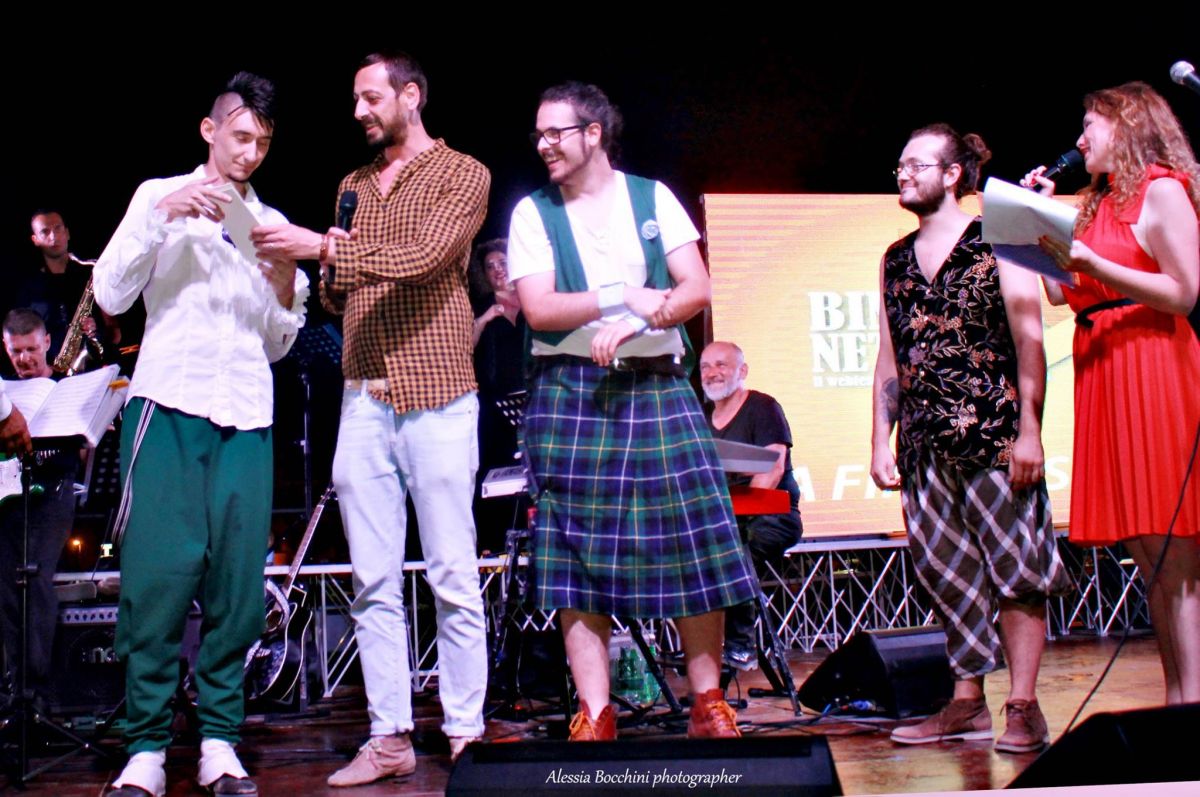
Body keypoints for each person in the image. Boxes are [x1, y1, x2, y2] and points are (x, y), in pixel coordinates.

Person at [250, 51, 490, 785]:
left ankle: (466, 734)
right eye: (355, 100)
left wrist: (326, 248)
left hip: (437, 391)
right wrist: (316, 268)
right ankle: (389, 737)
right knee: (371, 578)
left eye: (371, 97)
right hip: (362, 396)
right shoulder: (352, 185)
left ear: (411, 96)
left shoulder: (463, 173)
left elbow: (425, 258)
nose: (358, 111)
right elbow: (336, 292)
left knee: (451, 572)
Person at [507, 81, 758, 741]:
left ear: (593, 133)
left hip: (656, 384)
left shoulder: (651, 197)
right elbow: (539, 308)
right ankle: (595, 711)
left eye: (556, 132)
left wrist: (650, 316)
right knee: (575, 552)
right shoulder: (534, 213)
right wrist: (622, 295)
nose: (544, 145)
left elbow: (695, 287)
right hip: (571, 389)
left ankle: (708, 702)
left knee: (692, 542)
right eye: (538, 134)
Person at [94, 72, 307, 797]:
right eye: (240, 136)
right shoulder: (158, 193)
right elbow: (110, 293)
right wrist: (162, 215)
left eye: (263, 143)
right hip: (169, 401)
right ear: (209, 130)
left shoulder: (270, 221)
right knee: (156, 579)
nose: (250, 153)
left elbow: (278, 341)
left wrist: (284, 283)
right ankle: (146, 749)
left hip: (247, 411)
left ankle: (219, 740)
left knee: (238, 586)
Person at [870, 124, 1069, 753]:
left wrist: (1031, 431)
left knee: (1017, 571)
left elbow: (1030, 341)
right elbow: (889, 356)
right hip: (924, 446)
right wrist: (879, 438)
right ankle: (967, 703)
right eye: (900, 165)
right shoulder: (895, 258)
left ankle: (1023, 706)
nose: (903, 174)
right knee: (947, 572)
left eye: (916, 164)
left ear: (953, 173)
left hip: (994, 435)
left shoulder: (999, 240)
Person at [1028, 82, 1200, 705]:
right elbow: (1060, 293)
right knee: (1149, 553)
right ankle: (1178, 700)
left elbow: (1185, 292)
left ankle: (1190, 705)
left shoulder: (1161, 190)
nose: (1079, 141)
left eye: (1089, 126)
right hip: (1104, 366)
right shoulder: (1095, 205)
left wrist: (1096, 266)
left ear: (1127, 127)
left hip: (1153, 363)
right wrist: (1038, 222)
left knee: (1174, 551)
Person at [700, 340, 802, 670]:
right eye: (705, 367)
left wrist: (740, 514)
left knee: (733, 546)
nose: (712, 373)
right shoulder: (699, 419)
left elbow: (772, 469)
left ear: (742, 371)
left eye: (721, 365)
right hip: (724, 521)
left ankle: (740, 645)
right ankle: (699, 652)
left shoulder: (763, 407)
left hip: (770, 518)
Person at [0, 309, 76, 705]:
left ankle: (39, 691)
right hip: (7, 496)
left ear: (47, 342)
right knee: (6, 591)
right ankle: (15, 689)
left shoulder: (67, 386)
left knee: (36, 581)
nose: (24, 359)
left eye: (31, 349)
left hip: (52, 493)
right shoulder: (4, 392)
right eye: (16, 351)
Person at [469, 239, 526, 553]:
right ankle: (495, 549)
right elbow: (464, 346)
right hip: (494, 408)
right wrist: (485, 318)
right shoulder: (480, 305)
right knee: (496, 475)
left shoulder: (533, 297)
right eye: (490, 266)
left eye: (502, 262)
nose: (497, 270)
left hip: (534, 400)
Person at [16, 210, 118, 365]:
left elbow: (116, 333)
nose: (53, 236)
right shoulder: (29, 289)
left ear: (67, 233)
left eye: (58, 228)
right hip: (54, 371)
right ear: (35, 240)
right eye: (45, 232)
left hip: (98, 365)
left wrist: (96, 331)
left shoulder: (93, 274)